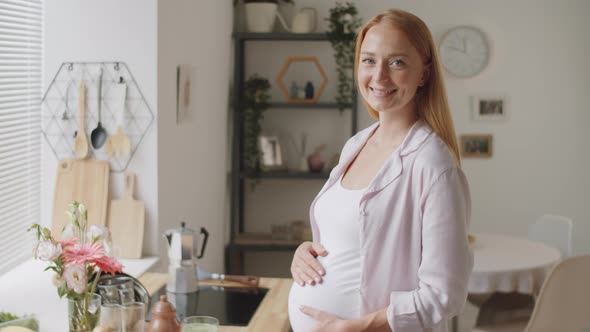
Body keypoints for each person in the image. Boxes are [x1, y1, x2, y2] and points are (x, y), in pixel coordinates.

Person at [287, 9, 473, 332]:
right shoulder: (356, 145)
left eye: (397, 62)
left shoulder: (433, 165)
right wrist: (306, 256)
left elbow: (445, 294)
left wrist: (358, 326)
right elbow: (348, 243)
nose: (379, 76)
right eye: (369, 60)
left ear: (424, 74)